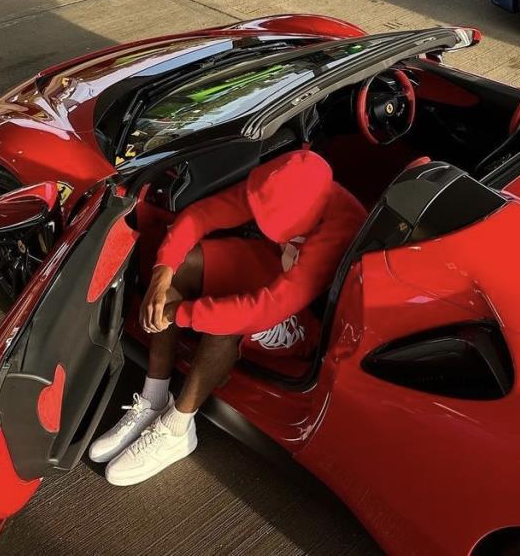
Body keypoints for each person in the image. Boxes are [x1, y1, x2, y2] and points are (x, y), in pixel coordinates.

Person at [90, 148, 364, 486]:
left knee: (227, 321)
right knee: (182, 266)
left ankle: (178, 428)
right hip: (274, 271)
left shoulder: (338, 232)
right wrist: (163, 272)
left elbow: (264, 309)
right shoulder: (285, 183)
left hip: (310, 320)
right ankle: (154, 397)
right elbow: (201, 216)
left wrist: (180, 313)